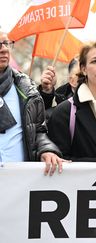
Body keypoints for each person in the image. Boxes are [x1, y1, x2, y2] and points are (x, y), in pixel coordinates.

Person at [0, 31, 62, 175]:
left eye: (6, 43)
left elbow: (38, 131)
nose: (3, 49)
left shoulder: (26, 89)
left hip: (20, 181)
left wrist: (47, 150)